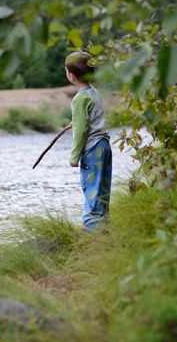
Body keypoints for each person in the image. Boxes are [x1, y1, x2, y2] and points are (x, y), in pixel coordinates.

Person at [65, 51, 112, 231]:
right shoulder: (93, 92)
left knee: (91, 186)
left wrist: (74, 157)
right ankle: (103, 224)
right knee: (102, 187)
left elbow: (81, 130)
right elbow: (91, 117)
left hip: (92, 148)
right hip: (104, 144)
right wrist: (77, 120)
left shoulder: (79, 99)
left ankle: (92, 229)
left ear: (71, 75)